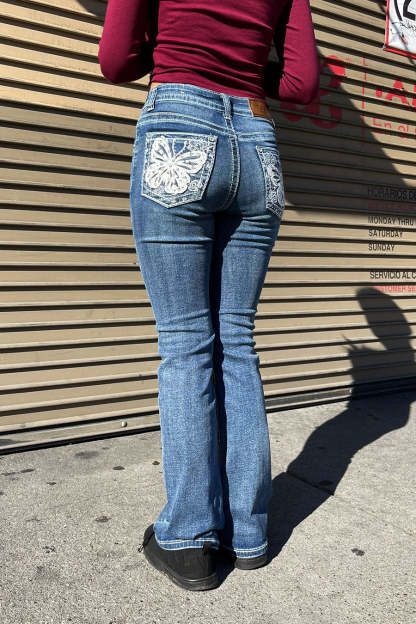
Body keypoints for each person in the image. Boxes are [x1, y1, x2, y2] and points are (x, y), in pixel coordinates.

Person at [98, 0, 319, 592]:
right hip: (258, 141)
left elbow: (115, 60)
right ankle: (248, 534)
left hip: (179, 121)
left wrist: (176, 52)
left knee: (186, 344)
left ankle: (191, 539)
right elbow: (301, 84)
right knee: (237, 342)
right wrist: (241, 67)